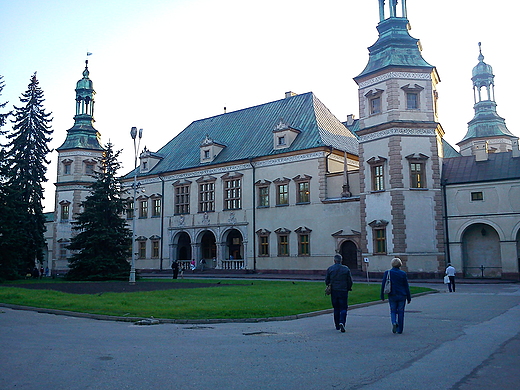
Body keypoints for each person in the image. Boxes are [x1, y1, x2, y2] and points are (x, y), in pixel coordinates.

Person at [381, 257, 411, 334]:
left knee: (393, 310)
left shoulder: (388, 273)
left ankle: (394, 322)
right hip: (402, 294)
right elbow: (406, 286)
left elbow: (384, 284)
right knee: (401, 312)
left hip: (392, 294)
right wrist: (409, 297)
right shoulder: (403, 273)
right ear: (400, 264)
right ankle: (400, 329)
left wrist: (382, 295)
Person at [325, 254, 353, 333]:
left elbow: (327, 280)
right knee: (343, 308)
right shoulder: (346, 269)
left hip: (334, 290)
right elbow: (350, 281)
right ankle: (342, 322)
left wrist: (329, 285)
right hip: (343, 290)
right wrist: (348, 288)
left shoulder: (330, 269)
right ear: (341, 260)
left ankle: (337, 325)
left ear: (334, 261)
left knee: (336, 308)